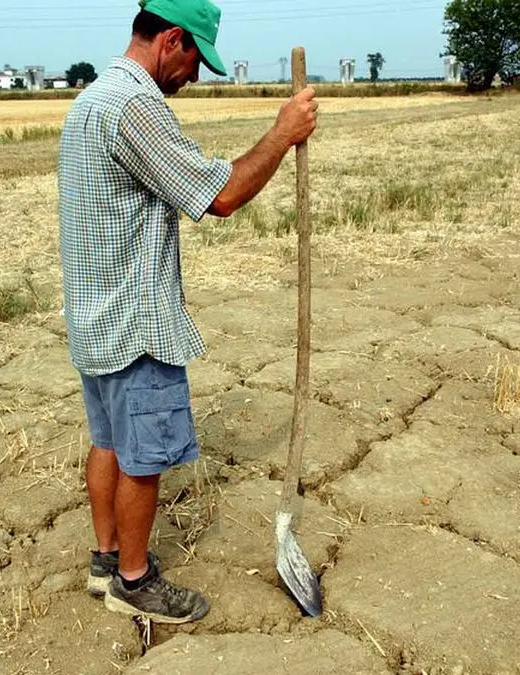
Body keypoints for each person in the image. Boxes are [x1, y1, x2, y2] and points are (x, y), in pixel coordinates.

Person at [57, 0, 318, 624]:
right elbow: (220, 195)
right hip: (135, 323)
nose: (194, 77)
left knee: (110, 444)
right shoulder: (135, 105)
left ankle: (105, 561)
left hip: (95, 318)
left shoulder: (94, 97)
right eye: (196, 59)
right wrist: (283, 134)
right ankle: (135, 579)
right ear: (171, 39)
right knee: (144, 458)